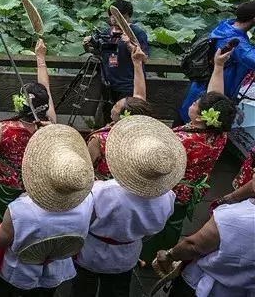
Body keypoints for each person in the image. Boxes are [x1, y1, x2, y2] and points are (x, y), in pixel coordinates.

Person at [139, 49, 237, 264]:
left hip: (172, 187)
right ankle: (164, 252)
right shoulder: (219, 132)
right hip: (194, 187)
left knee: (160, 221)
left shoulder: (183, 140)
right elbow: (215, 96)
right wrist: (218, 66)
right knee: (175, 222)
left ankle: (148, 257)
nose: (192, 103)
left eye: (195, 104)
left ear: (202, 116)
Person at [72, 115, 184, 297]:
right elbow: (150, 233)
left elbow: (84, 222)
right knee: (118, 288)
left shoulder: (102, 191)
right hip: (127, 253)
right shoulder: (168, 198)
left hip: (93, 252)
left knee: (83, 287)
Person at [0, 124, 95, 297]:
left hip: (19, 272)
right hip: (57, 269)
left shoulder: (20, 210)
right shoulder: (88, 201)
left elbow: (0, 241)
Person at [0, 39, 57, 222]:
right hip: (33, 182)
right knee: (26, 218)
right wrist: (40, 58)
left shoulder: (4, 129)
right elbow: (47, 91)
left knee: (0, 217)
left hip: (5, 183)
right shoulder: (50, 125)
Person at [152, 180, 255, 297]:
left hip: (202, 285)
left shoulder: (235, 217)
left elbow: (194, 246)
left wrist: (169, 255)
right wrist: (230, 198)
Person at [178, 0, 255, 124]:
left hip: (204, 90)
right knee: (198, 132)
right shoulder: (234, 41)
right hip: (208, 99)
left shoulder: (226, 26)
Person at [87, 44, 150, 180]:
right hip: (132, 179)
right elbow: (139, 94)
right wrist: (137, 63)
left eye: (116, 106)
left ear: (120, 117)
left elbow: (86, 166)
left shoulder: (100, 139)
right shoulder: (141, 126)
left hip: (105, 184)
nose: (113, 106)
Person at [84, 0, 150, 124]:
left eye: (120, 17)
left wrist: (129, 45)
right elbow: (103, 52)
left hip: (127, 84)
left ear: (128, 17)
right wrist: (88, 46)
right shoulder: (106, 33)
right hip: (108, 83)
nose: (115, 20)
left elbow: (144, 58)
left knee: (126, 117)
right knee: (109, 115)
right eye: (112, 16)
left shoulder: (137, 33)